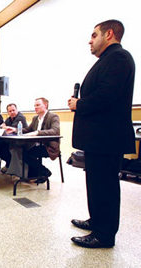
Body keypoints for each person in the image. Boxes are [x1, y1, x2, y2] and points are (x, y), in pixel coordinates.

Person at [68, 20, 135, 248]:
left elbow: (106, 96)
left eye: (94, 35)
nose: (90, 40)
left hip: (107, 137)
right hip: (99, 138)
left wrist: (79, 104)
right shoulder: (108, 59)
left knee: (105, 185)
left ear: (109, 34)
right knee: (95, 183)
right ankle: (96, 220)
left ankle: (104, 235)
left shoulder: (119, 57)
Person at [6, 98, 60, 181]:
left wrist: (38, 132)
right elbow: (28, 129)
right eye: (35, 105)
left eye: (38, 105)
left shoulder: (53, 117)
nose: (35, 107)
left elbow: (55, 131)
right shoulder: (35, 118)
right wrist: (15, 130)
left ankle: (44, 172)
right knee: (22, 151)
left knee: (26, 154)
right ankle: (34, 174)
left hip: (48, 146)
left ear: (45, 105)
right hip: (36, 145)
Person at [0, 103, 28, 173]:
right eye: (10, 111)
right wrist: (4, 127)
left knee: (3, 147)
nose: (12, 112)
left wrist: (5, 127)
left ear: (17, 110)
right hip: (11, 141)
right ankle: (8, 164)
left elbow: (11, 129)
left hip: (21, 142)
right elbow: (1, 127)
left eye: (13, 110)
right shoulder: (9, 119)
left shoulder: (20, 117)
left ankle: (11, 167)